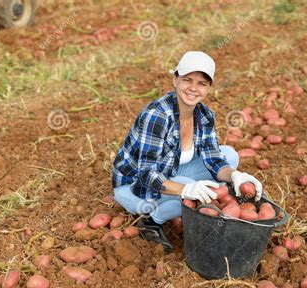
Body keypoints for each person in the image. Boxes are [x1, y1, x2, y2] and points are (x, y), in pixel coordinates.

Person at [112, 51, 263, 252]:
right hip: (135, 186)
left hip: (170, 172)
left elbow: (215, 160)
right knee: (193, 191)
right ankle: (151, 220)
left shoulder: (205, 116)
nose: (193, 88)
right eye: (187, 80)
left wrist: (235, 176)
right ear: (175, 80)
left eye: (202, 83)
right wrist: (185, 190)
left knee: (230, 156)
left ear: (208, 88)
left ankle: (188, 199)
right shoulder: (157, 116)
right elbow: (146, 174)